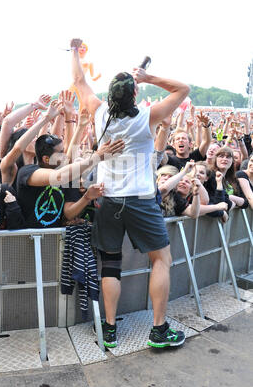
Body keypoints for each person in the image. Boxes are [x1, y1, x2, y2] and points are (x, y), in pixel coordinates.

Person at [70, 37, 191, 349]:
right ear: (135, 94)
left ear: (110, 95)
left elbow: (78, 81)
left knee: (111, 263)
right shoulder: (146, 117)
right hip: (139, 199)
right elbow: (182, 90)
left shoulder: (98, 113)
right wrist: (148, 77)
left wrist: (74, 51)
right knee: (161, 259)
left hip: (108, 199)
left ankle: (109, 330)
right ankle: (159, 330)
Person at [16, 129, 124, 229]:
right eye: (60, 153)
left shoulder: (69, 176)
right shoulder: (26, 172)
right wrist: (97, 157)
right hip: (28, 239)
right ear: (46, 159)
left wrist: (87, 197)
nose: (64, 156)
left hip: (54, 239)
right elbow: (58, 177)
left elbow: (69, 213)